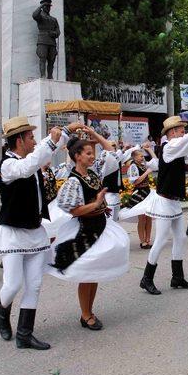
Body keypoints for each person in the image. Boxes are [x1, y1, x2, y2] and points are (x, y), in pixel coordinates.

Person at [0, 116, 80, 351]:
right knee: (12, 285)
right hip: (13, 233)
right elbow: (30, 164)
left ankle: (24, 334)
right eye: (30, 137)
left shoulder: (29, 156)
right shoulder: (9, 165)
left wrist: (66, 133)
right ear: (19, 140)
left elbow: (42, 151)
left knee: (35, 284)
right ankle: (3, 311)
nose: (34, 140)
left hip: (35, 230)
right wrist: (52, 141)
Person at [44, 128, 130, 331]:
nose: (93, 156)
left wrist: (93, 134)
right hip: (85, 228)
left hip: (101, 225)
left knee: (95, 271)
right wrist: (96, 204)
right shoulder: (73, 181)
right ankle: (85, 314)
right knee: (87, 272)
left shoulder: (94, 172)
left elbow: (111, 153)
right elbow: (73, 210)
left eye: (93, 152)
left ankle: (89, 311)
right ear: (77, 156)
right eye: (88, 153)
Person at [139, 116, 188, 295]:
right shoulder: (170, 147)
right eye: (180, 129)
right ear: (171, 133)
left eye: (183, 129)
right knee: (161, 240)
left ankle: (177, 277)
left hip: (174, 202)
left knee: (180, 238)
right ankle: (146, 278)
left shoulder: (177, 148)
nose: (183, 132)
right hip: (164, 201)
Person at [121, 145, 159, 248]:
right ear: (134, 157)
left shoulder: (143, 164)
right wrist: (147, 172)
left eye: (143, 156)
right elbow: (135, 181)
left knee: (149, 217)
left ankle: (148, 239)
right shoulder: (133, 167)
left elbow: (156, 164)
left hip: (147, 191)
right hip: (140, 192)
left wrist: (150, 150)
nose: (142, 158)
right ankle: (142, 241)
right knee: (142, 217)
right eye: (140, 156)